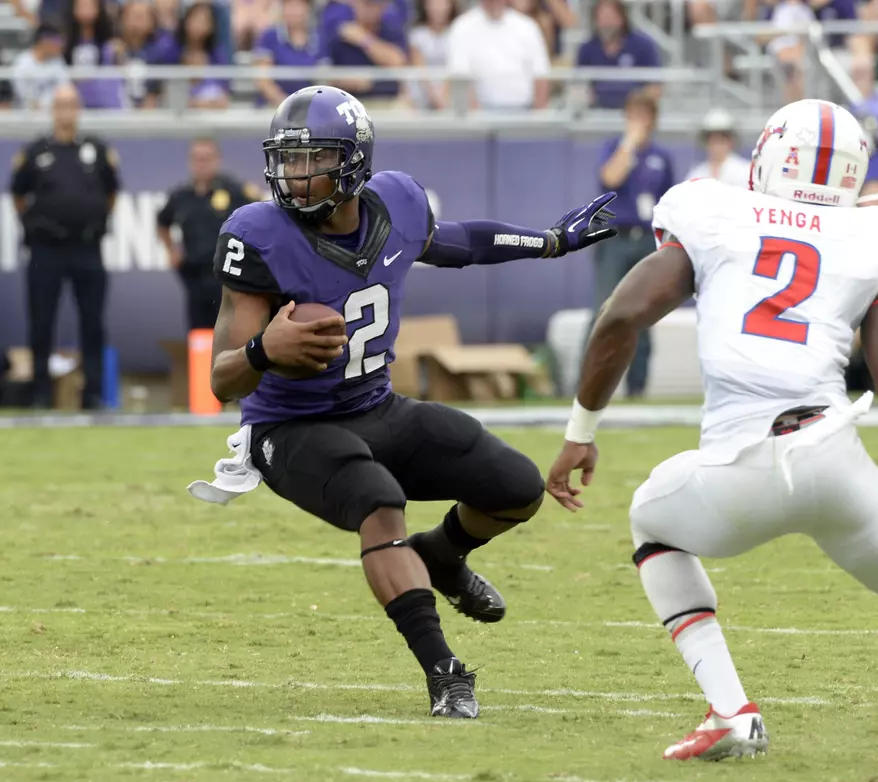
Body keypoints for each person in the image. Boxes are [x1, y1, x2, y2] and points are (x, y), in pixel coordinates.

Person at [544, 99, 878, 766]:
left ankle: (731, 712)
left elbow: (621, 316)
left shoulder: (708, 207)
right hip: (833, 454)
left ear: (768, 156)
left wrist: (581, 430)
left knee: (650, 520)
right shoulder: (874, 234)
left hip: (742, 464)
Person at [189, 85, 616, 720]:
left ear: (354, 161)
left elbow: (462, 243)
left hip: (376, 406)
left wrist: (550, 241)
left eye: (314, 159)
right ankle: (445, 672)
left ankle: (439, 555)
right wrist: (262, 350)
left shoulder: (397, 204)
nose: (296, 175)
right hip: (290, 426)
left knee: (516, 487)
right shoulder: (259, 234)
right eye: (288, 159)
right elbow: (224, 382)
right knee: (378, 501)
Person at [9, 82, 120, 410]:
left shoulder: (96, 150)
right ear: (52, 110)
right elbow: (18, 195)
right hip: (46, 249)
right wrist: (38, 222)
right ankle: (41, 393)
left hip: (87, 247)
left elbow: (111, 193)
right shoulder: (35, 152)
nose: (66, 111)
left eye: (72, 104)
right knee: (41, 321)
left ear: (79, 110)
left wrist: (92, 217)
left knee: (93, 323)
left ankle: (93, 393)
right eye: (60, 104)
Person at [591, 89, 673, 397]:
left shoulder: (660, 157)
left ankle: (637, 387)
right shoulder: (613, 147)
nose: (638, 121)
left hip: (646, 240)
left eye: (644, 115)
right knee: (605, 311)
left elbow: (667, 204)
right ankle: (590, 385)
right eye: (633, 115)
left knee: (643, 314)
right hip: (615, 237)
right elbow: (610, 178)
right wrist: (629, 145)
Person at [158, 138, 262, 332]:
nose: (202, 163)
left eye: (207, 158)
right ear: (190, 161)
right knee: (199, 331)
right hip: (194, 275)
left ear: (217, 160)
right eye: (197, 158)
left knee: (228, 331)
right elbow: (162, 222)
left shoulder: (235, 191)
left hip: (227, 278)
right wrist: (172, 250)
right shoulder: (181, 196)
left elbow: (260, 218)